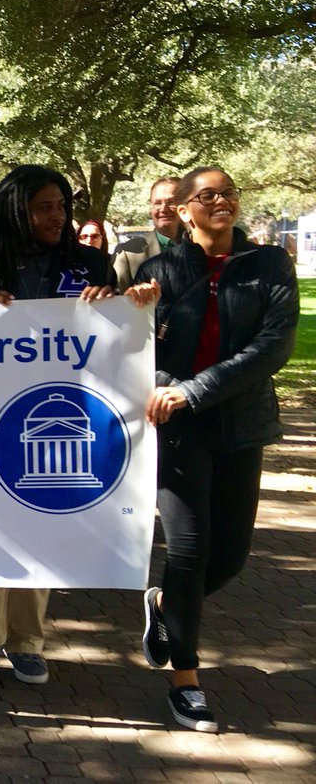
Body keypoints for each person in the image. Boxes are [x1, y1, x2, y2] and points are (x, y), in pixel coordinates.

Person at [135, 167, 297, 733]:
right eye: (207, 195)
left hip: (240, 425)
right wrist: (139, 314)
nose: (221, 201)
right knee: (189, 552)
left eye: (228, 192)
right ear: (183, 210)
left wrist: (193, 389)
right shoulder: (159, 270)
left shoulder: (268, 264)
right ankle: (186, 681)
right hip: (179, 432)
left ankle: (164, 606)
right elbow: (136, 352)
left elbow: (274, 345)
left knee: (230, 556)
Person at [0, 165, 118, 691]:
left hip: (60, 409)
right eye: (44, 207)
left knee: (39, 526)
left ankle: (27, 641)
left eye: (61, 206)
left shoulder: (90, 264)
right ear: (15, 211)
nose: (56, 216)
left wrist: (114, 305)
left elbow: (121, 337)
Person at [112, 176, 183, 292]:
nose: (163, 209)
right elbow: (119, 299)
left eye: (171, 202)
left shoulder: (202, 247)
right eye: (157, 203)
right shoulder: (127, 254)